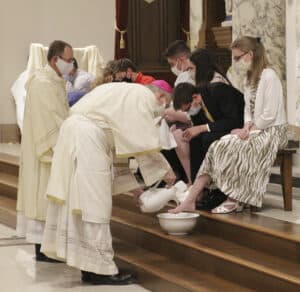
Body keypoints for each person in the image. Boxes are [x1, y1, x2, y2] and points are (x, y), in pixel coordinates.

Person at [41, 82, 175, 285]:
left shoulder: (124, 92)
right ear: (161, 98)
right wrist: (165, 170)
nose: (160, 112)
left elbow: (120, 146)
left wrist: (137, 190)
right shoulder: (144, 97)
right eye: (165, 105)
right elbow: (143, 144)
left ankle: (89, 266)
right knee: (95, 206)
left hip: (76, 133)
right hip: (88, 138)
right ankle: (102, 270)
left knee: (83, 204)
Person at [170, 36, 288, 214]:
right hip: (255, 128)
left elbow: (270, 115)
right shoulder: (249, 78)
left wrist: (250, 129)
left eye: (237, 57)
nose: (235, 62)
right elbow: (248, 110)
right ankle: (191, 199)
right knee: (218, 146)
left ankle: (235, 198)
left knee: (233, 146)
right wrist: (247, 126)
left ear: (250, 54)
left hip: (273, 130)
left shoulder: (269, 76)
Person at [16, 40, 73, 261]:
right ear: (54, 59)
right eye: (68, 60)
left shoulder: (54, 80)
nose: (70, 65)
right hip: (45, 149)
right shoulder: (42, 83)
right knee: (43, 196)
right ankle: (42, 248)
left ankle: (49, 246)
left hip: (52, 147)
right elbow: (49, 118)